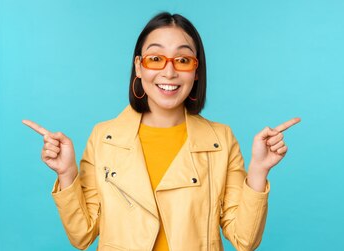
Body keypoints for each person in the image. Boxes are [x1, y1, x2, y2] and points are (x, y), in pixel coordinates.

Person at [22, 12, 300, 251]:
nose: (168, 72)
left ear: (197, 71)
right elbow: (82, 235)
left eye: (182, 60)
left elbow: (244, 240)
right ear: (138, 67)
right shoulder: (104, 137)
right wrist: (67, 173)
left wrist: (259, 171)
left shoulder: (220, 140)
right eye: (155, 58)